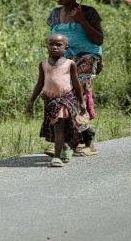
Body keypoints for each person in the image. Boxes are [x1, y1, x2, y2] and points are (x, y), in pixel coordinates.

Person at [46, 0, 103, 156]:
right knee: (60, 96)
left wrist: (82, 20)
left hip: (87, 58)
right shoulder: (55, 15)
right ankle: (87, 140)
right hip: (65, 61)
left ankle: (67, 144)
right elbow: (54, 41)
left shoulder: (88, 12)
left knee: (76, 96)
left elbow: (99, 40)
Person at [27, 34, 87, 167]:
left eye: (58, 45)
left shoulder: (70, 64)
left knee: (59, 126)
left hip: (65, 98)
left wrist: (82, 102)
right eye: (51, 44)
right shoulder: (43, 64)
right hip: (49, 100)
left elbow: (76, 84)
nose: (54, 47)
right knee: (55, 127)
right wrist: (32, 100)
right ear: (47, 46)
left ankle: (56, 156)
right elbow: (40, 83)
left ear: (66, 48)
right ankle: (65, 147)